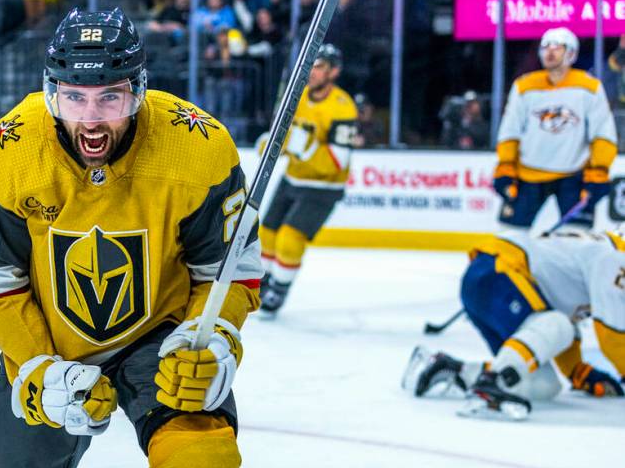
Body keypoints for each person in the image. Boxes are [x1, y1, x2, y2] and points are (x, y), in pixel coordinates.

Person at [0, 8, 262, 468]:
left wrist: (216, 335)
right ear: (53, 92)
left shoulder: (197, 146)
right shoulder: (7, 151)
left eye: (109, 97)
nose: (91, 118)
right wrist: (36, 366)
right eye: (74, 97)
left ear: (137, 90)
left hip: (162, 333)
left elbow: (229, 270)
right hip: (51, 336)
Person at [402, 230, 625, 420]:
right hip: (498, 271)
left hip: (488, 278)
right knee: (557, 324)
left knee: (544, 384)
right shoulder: (615, 259)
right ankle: (490, 387)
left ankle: (453, 369)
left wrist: (577, 371)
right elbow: (613, 336)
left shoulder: (600, 252)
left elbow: (563, 319)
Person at [256, 44, 358, 319]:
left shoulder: (342, 108)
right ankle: (263, 283)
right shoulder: (297, 96)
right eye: (311, 65)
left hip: (324, 187)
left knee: (290, 239)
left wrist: (306, 148)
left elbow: (340, 162)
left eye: (321, 67)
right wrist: (273, 142)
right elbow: (285, 133)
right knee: (266, 234)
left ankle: (279, 288)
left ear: (333, 72)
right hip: (294, 178)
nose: (313, 72)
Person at [494, 27, 617, 230]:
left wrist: (599, 171)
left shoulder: (589, 87)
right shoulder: (524, 86)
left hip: (573, 175)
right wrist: (506, 166)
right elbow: (510, 131)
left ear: (571, 54)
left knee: (577, 240)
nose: (549, 52)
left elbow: (603, 133)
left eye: (557, 47)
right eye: (545, 47)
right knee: (511, 237)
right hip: (528, 174)